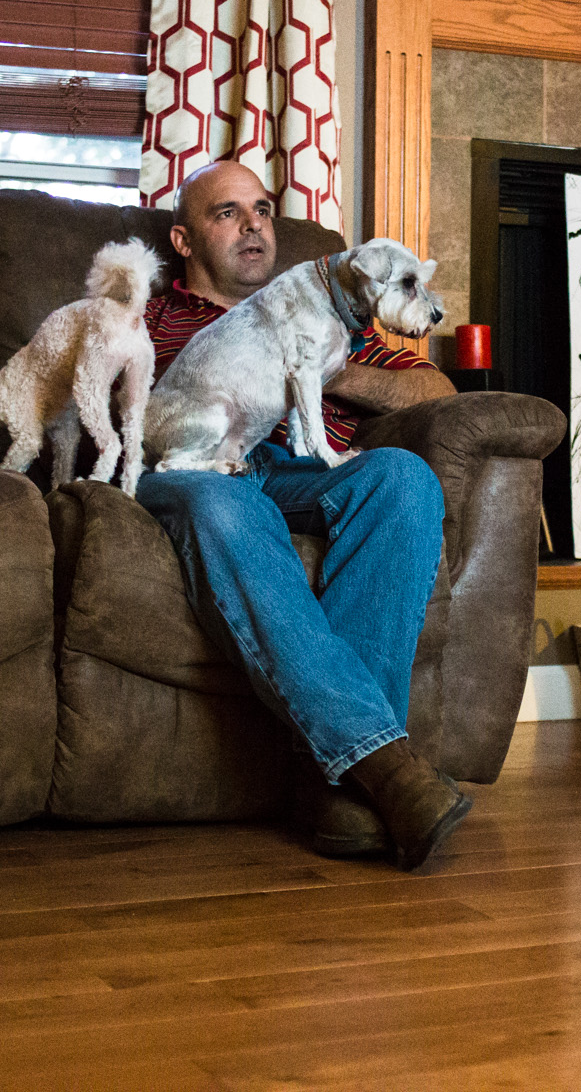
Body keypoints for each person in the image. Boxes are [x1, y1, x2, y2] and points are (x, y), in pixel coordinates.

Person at [138, 160, 467, 870]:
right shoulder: (154, 318)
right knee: (223, 503)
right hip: (199, 463)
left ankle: (342, 782)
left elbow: (437, 389)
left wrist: (318, 360)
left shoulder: (334, 315)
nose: (255, 222)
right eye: (227, 212)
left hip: (301, 467)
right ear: (183, 240)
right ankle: (376, 775)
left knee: (404, 480)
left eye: (262, 208)